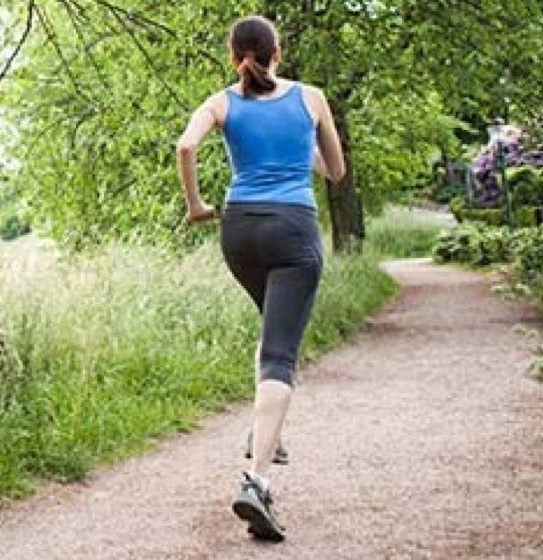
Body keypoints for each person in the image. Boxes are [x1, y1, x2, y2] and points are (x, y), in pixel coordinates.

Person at [176, 15, 345, 541]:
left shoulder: (222, 101)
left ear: (235, 57)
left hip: (239, 229)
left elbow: (186, 146)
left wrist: (197, 205)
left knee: (270, 331)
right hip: (292, 231)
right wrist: (301, 150)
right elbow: (335, 172)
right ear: (279, 52)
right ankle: (257, 483)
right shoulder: (312, 98)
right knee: (280, 357)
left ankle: (262, 432)